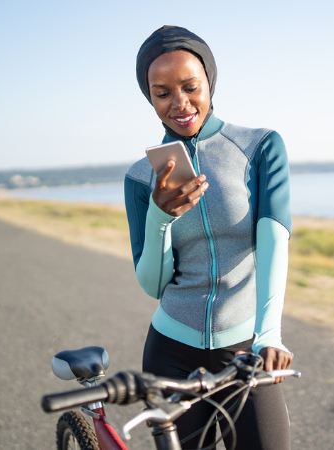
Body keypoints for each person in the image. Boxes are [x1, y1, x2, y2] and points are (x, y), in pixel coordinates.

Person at [124, 26, 293, 450]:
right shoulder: (142, 176)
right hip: (170, 348)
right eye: (162, 93)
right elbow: (151, 285)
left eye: (190, 87)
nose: (179, 104)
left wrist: (268, 335)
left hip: (244, 346)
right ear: (150, 98)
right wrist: (160, 218)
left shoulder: (259, 147)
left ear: (209, 82)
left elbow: (273, 242)